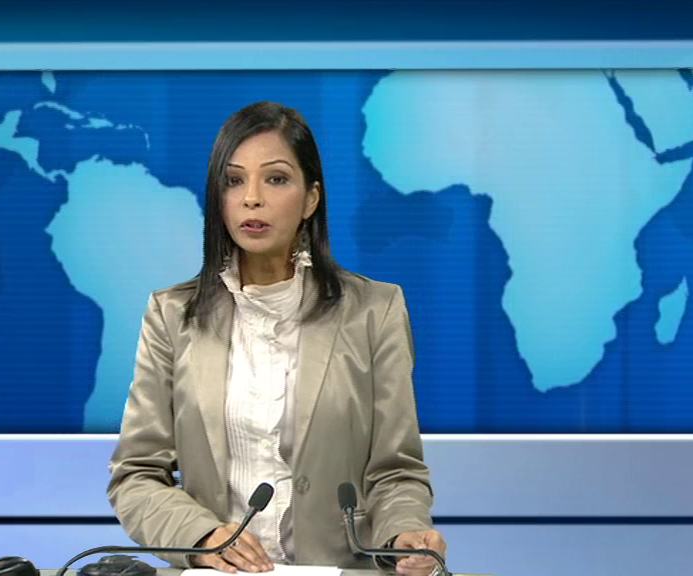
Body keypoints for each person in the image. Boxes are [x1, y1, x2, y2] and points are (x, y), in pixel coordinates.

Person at [107, 101, 446, 575]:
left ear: (310, 199)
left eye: (276, 179)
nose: (252, 198)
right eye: (233, 180)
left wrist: (403, 535)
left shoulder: (374, 310)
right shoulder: (172, 315)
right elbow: (136, 474)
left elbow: (395, 471)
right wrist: (201, 537)